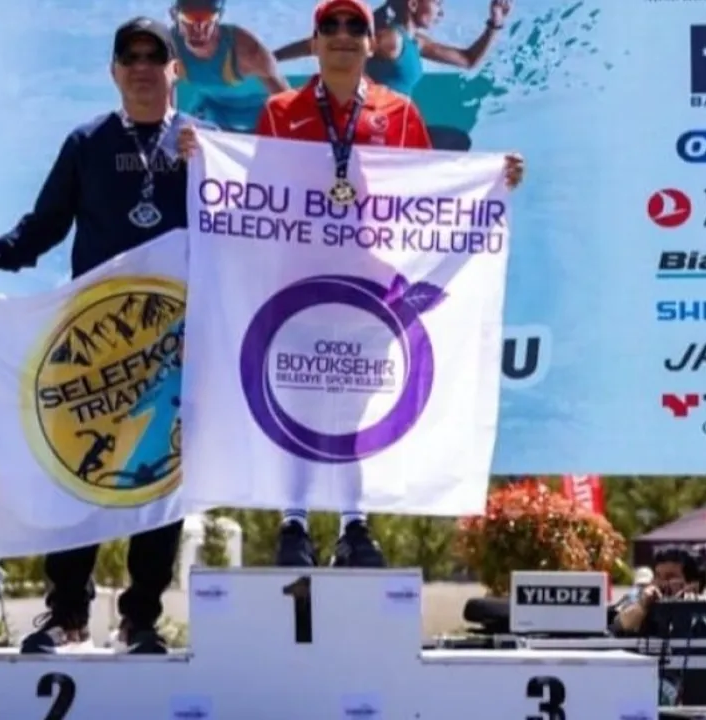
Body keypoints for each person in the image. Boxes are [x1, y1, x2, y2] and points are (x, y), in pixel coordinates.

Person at [178, 0, 524, 569]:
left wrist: (494, 180)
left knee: (356, 405)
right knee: (295, 394)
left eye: (354, 26)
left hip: (369, 284)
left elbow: (427, 190)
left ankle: (353, 524)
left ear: (371, 42)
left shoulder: (399, 111)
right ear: (314, 43)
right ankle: (293, 523)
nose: (342, 34)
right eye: (330, 26)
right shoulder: (281, 111)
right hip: (296, 280)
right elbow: (256, 189)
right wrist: (206, 162)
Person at [0, 17, 209, 657]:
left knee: (158, 478)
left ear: (175, 69)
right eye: (129, 57)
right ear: (113, 71)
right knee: (76, 473)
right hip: (95, 340)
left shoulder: (203, 144)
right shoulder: (87, 142)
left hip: (173, 344)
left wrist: (213, 166)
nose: (141, 66)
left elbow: (245, 219)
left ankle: (142, 619)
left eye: (154, 56)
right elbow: (46, 224)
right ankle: (66, 614)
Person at [274, 0, 512, 149]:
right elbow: (328, 43)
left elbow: (468, 60)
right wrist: (272, 59)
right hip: (376, 131)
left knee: (456, 142)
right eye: (437, 3)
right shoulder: (391, 40)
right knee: (454, 142)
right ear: (413, 5)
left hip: (399, 130)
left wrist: (495, 23)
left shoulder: (416, 42)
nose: (441, 12)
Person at [171, 0, 290, 131]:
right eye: (189, 18)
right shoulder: (170, 48)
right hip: (212, 109)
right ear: (174, 17)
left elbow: (284, 98)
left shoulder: (246, 50)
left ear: (217, 19)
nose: (198, 29)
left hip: (260, 110)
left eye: (207, 18)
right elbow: (164, 99)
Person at [610, 548, 705, 636]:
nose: (662, 584)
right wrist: (643, 604)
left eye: (670, 577)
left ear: (693, 584)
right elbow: (620, 625)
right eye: (658, 576)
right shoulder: (644, 602)